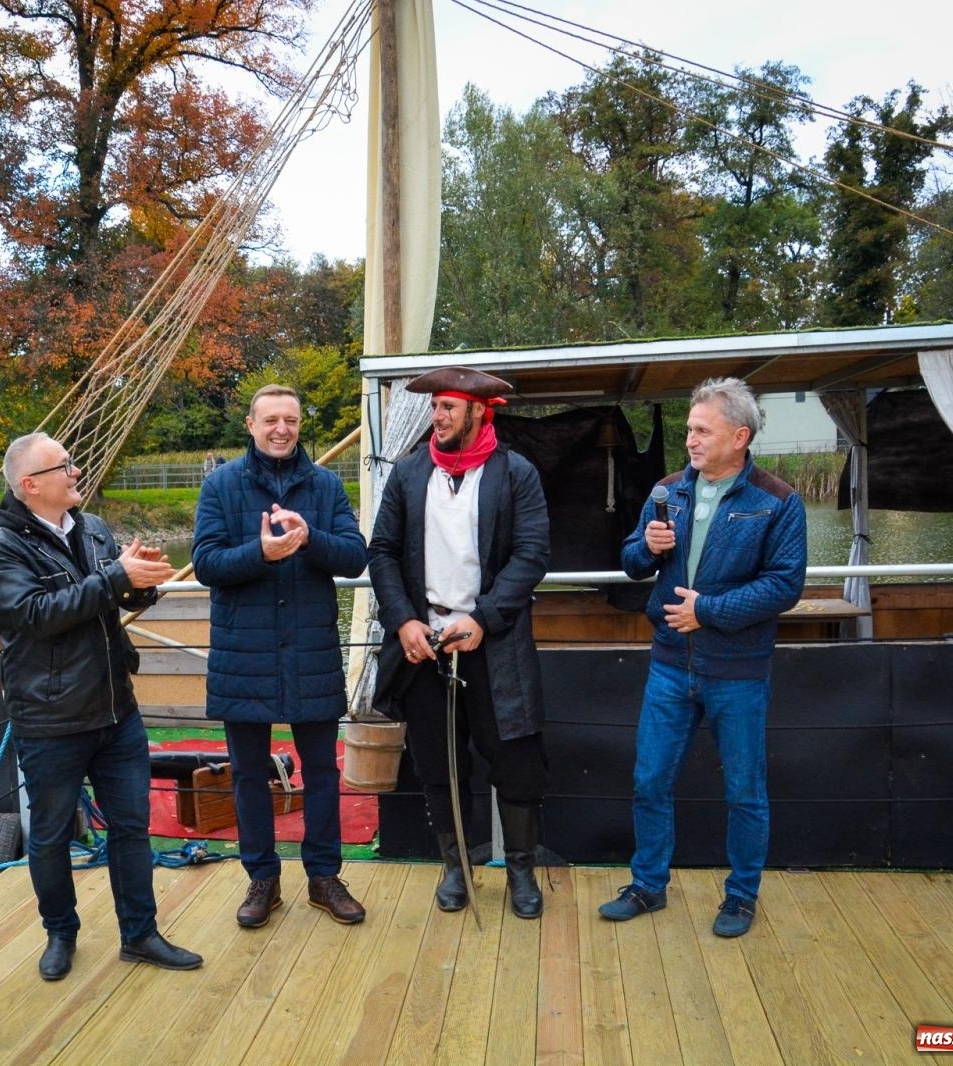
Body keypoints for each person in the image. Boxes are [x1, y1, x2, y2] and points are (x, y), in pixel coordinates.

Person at [0, 431, 203, 981]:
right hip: (50, 719)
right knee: (51, 835)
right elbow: (35, 614)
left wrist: (140, 583)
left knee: (131, 827)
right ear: (31, 485)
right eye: (64, 465)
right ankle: (61, 934)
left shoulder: (94, 528)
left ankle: (140, 934)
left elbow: (113, 597)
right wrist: (115, 577)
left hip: (116, 710)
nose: (76, 471)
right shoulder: (1, 547)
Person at [598, 377, 807, 938]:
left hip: (738, 671)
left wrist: (707, 611)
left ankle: (740, 897)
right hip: (670, 665)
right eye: (689, 429)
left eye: (701, 431)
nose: (689, 440)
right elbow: (632, 562)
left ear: (739, 437)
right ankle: (648, 886)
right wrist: (647, 547)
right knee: (650, 781)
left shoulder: (778, 501)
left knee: (744, 791)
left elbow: (785, 585)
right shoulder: (668, 490)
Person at [367, 367, 552, 919]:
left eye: (448, 406)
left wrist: (484, 619)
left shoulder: (515, 473)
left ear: (478, 411)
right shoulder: (409, 473)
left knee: (516, 762)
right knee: (438, 762)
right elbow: (382, 551)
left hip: (495, 644)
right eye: (435, 407)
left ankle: (520, 871)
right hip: (424, 645)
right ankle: (455, 867)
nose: (438, 416)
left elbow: (532, 554)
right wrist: (404, 622)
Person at [193, 384, 369, 927]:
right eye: (270, 419)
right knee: (248, 774)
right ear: (251, 425)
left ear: (298, 425)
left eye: (290, 419)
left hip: (311, 650)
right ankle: (262, 879)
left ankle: (324, 877)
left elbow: (355, 557)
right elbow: (206, 563)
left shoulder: (325, 485)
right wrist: (261, 553)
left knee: (321, 771)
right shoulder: (221, 485)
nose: (281, 429)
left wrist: (310, 538)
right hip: (243, 653)